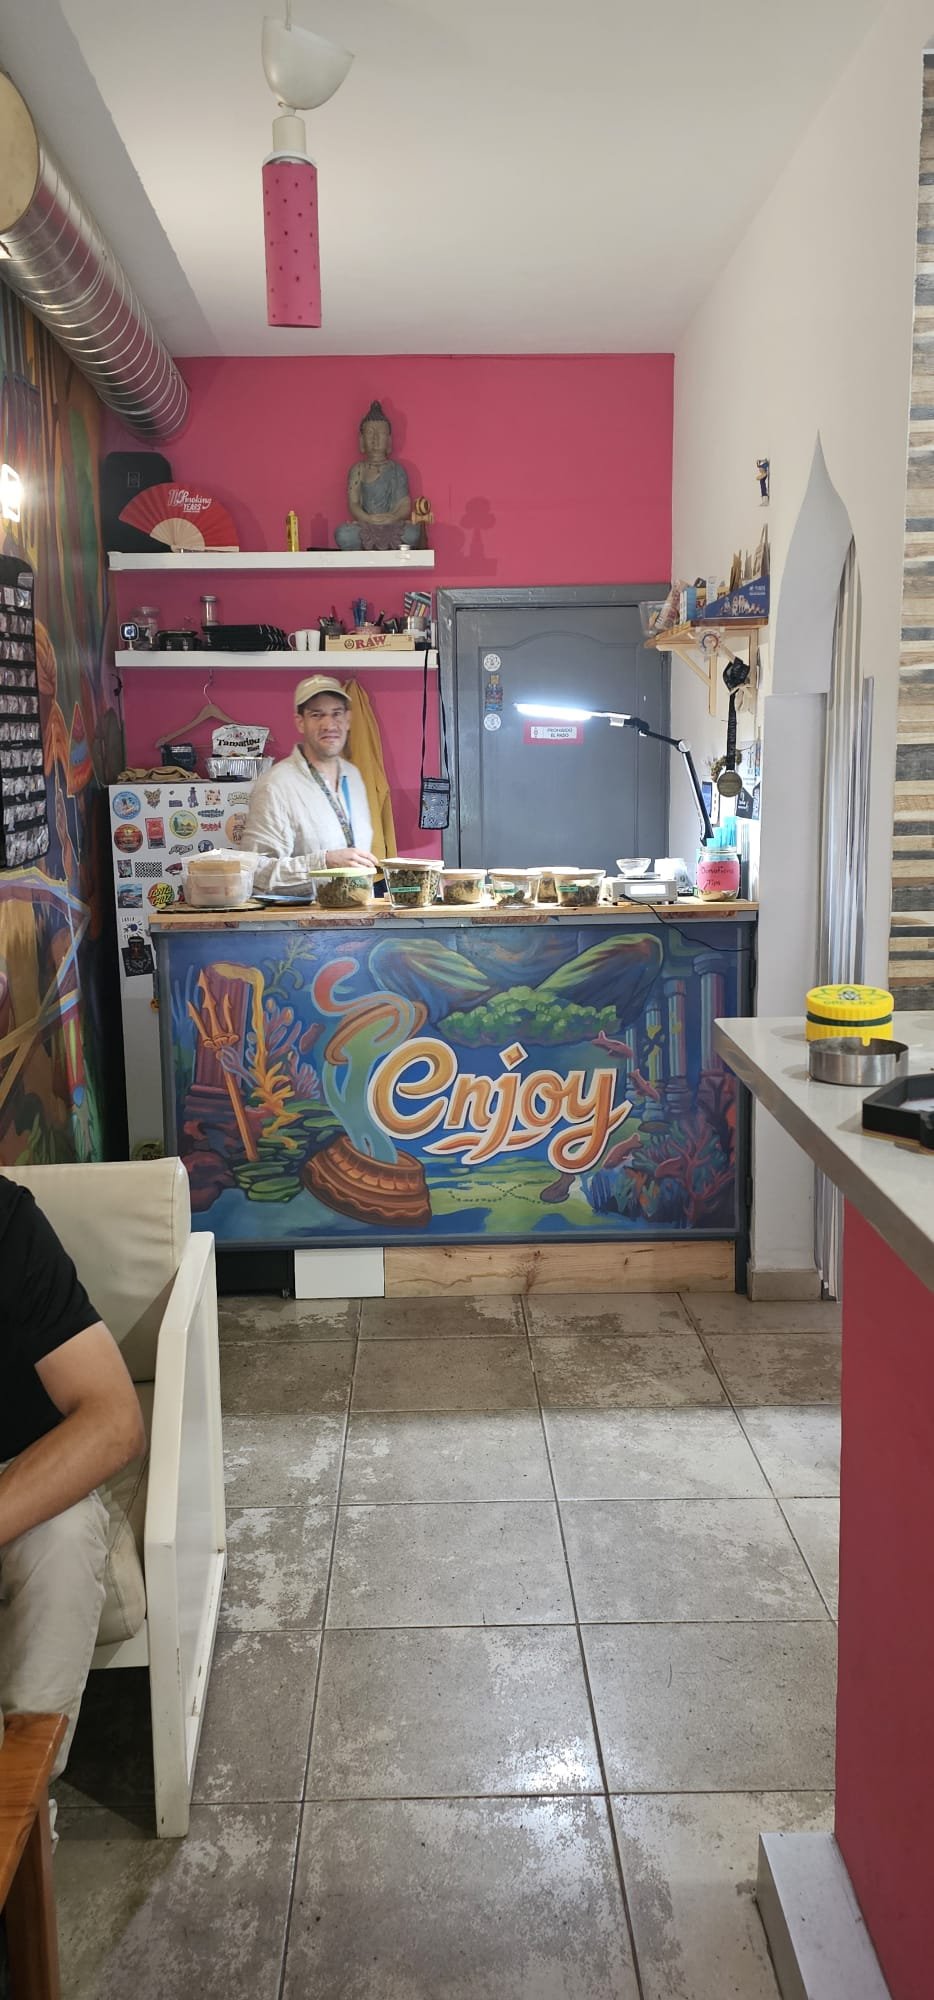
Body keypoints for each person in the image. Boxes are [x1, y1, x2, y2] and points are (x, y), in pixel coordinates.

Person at [0, 1174, 146, 1776]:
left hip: (21, 1472)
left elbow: (114, 1422)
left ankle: (24, 1798)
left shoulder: (9, 1223)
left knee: (62, 1538)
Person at [242, 674, 378, 892]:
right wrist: (323, 863)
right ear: (300, 722)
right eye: (317, 715)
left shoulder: (354, 777)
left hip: (358, 909)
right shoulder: (275, 785)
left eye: (336, 713)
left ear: (348, 719)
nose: (329, 724)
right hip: (305, 915)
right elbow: (255, 873)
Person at [334, 399, 420, 552]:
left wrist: (393, 517)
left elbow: (404, 504)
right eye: (370, 434)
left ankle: (378, 542)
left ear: (389, 440)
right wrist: (367, 518)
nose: (375, 439)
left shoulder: (397, 469)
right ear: (362, 440)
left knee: (413, 533)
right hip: (366, 526)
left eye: (381, 434)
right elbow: (354, 503)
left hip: (392, 525)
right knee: (343, 534)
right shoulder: (358, 469)